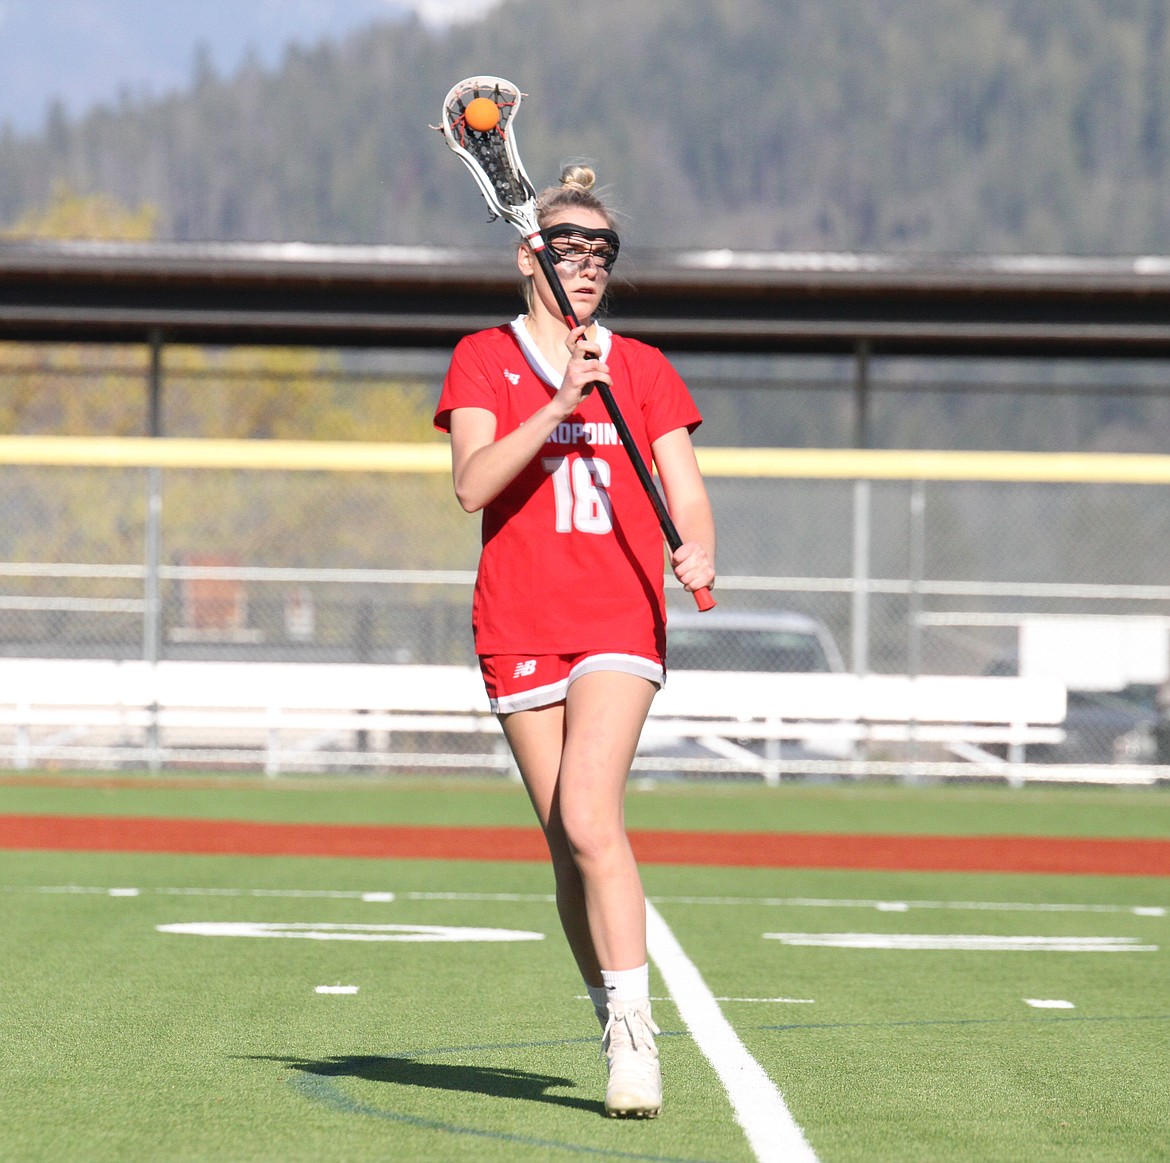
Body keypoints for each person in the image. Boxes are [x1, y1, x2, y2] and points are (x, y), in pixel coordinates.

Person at [433, 164, 716, 1119]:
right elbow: (473, 484)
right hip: (518, 622)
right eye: (570, 248)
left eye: (603, 251)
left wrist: (698, 548)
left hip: (618, 618)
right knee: (565, 844)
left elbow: (685, 486)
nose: (588, 265)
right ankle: (608, 1012)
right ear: (530, 257)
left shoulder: (640, 366)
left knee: (593, 813)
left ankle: (637, 1042)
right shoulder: (483, 358)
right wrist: (558, 404)